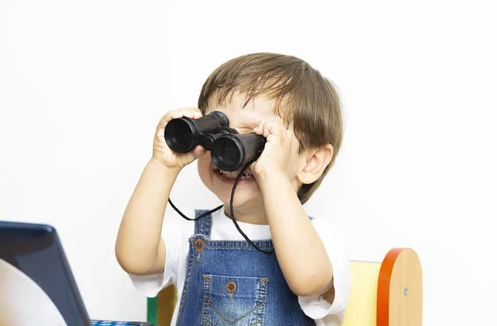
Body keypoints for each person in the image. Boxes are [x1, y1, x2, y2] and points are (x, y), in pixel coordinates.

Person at [116, 53, 350, 325]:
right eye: (219, 128)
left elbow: (308, 280)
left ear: (311, 162)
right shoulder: (191, 234)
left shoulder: (321, 240)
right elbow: (135, 258)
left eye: (255, 140)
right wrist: (163, 165)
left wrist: (270, 174)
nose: (227, 150)